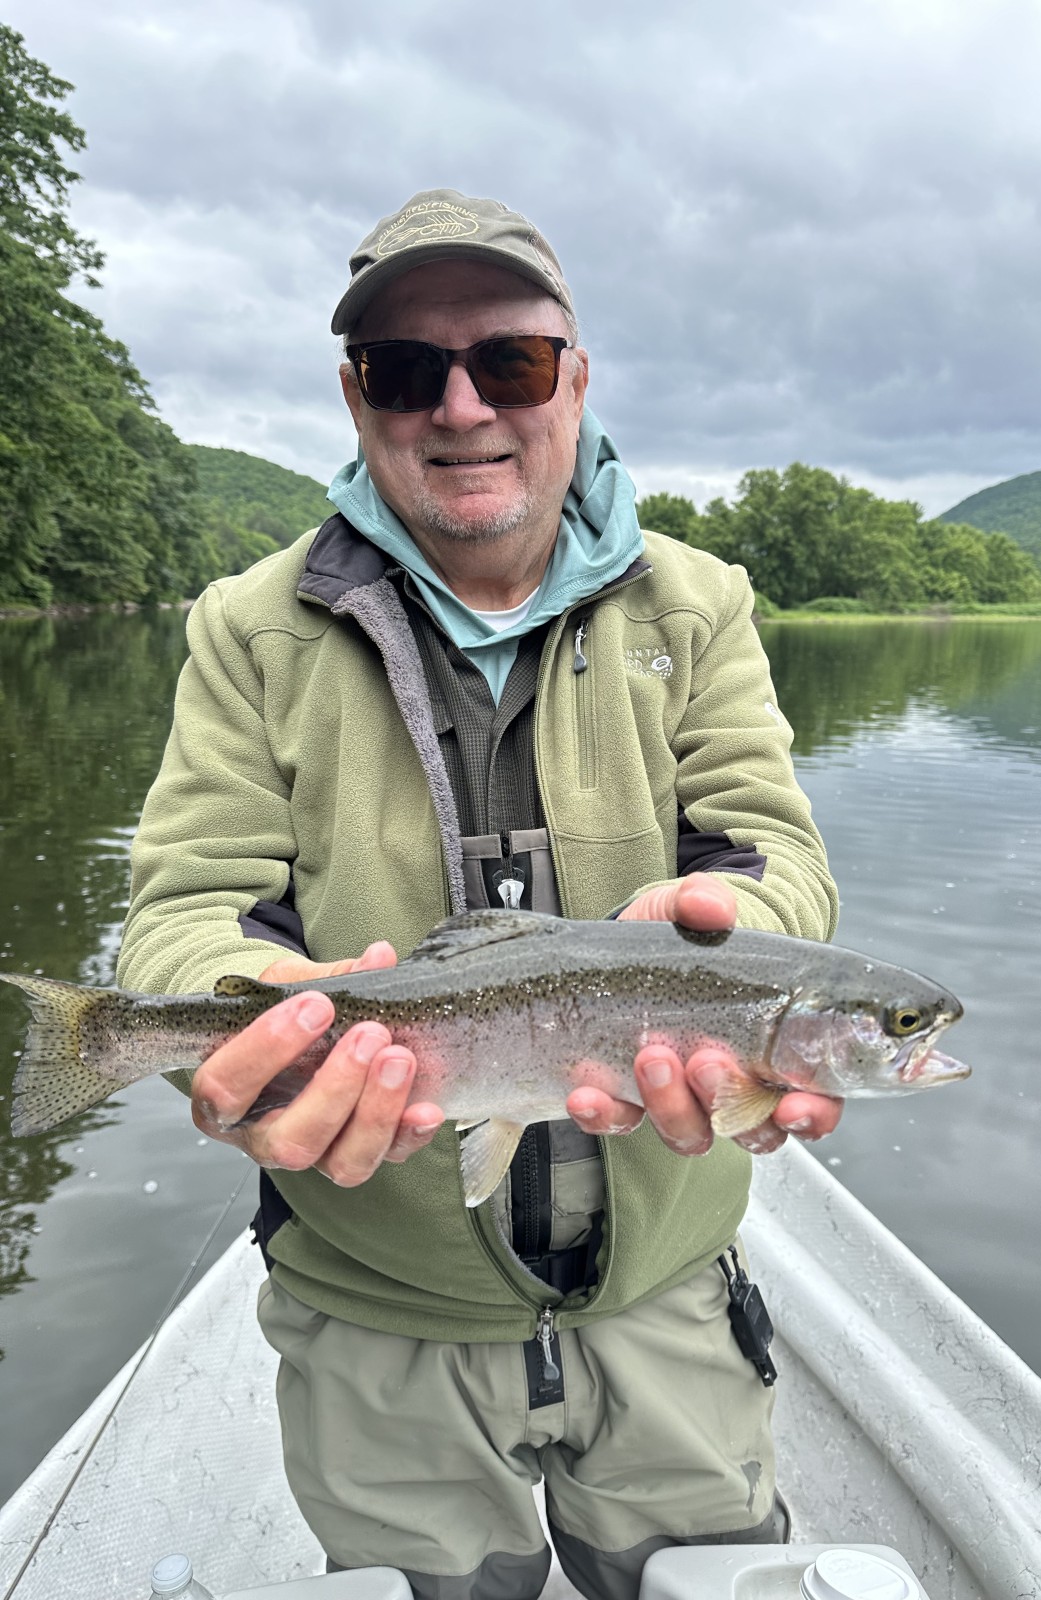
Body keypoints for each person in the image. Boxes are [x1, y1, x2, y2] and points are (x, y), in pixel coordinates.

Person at [117, 189, 841, 1600]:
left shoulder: (699, 606)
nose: (460, 409)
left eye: (506, 362)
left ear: (576, 377)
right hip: (372, 1307)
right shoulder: (247, 627)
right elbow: (190, 907)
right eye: (405, 370)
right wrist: (254, 1035)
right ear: (356, 395)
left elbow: (777, 858)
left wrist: (730, 954)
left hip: (667, 1287)